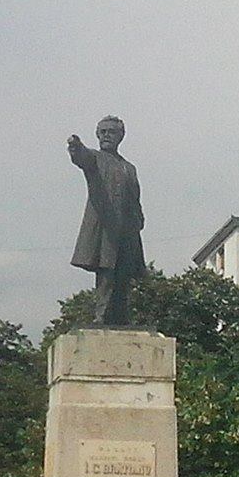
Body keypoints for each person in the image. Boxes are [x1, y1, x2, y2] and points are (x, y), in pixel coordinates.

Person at [67, 115, 146, 326]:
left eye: (111, 132)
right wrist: (76, 147)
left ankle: (120, 316)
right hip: (105, 227)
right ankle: (101, 315)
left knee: (124, 275)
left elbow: (134, 197)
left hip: (128, 230)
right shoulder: (95, 158)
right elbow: (82, 158)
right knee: (106, 272)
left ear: (121, 136)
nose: (106, 136)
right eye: (102, 132)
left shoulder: (129, 168)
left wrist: (139, 219)